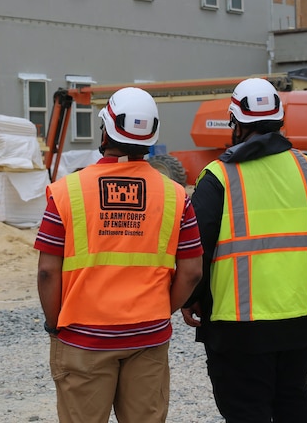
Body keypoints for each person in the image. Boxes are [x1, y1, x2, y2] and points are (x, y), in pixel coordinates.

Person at [180, 78, 307, 423]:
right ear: (280, 119)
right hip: (302, 316)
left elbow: (197, 246)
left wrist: (192, 297)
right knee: (293, 401)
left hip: (237, 324)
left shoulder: (218, 176)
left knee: (246, 410)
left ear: (235, 123)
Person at [35, 87, 204, 423]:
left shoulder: (66, 192)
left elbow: (47, 273)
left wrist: (55, 324)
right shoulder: (176, 196)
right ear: (152, 136)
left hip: (82, 338)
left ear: (105, 129)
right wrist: (159, 311)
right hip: (148, 337)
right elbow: (191, 273)